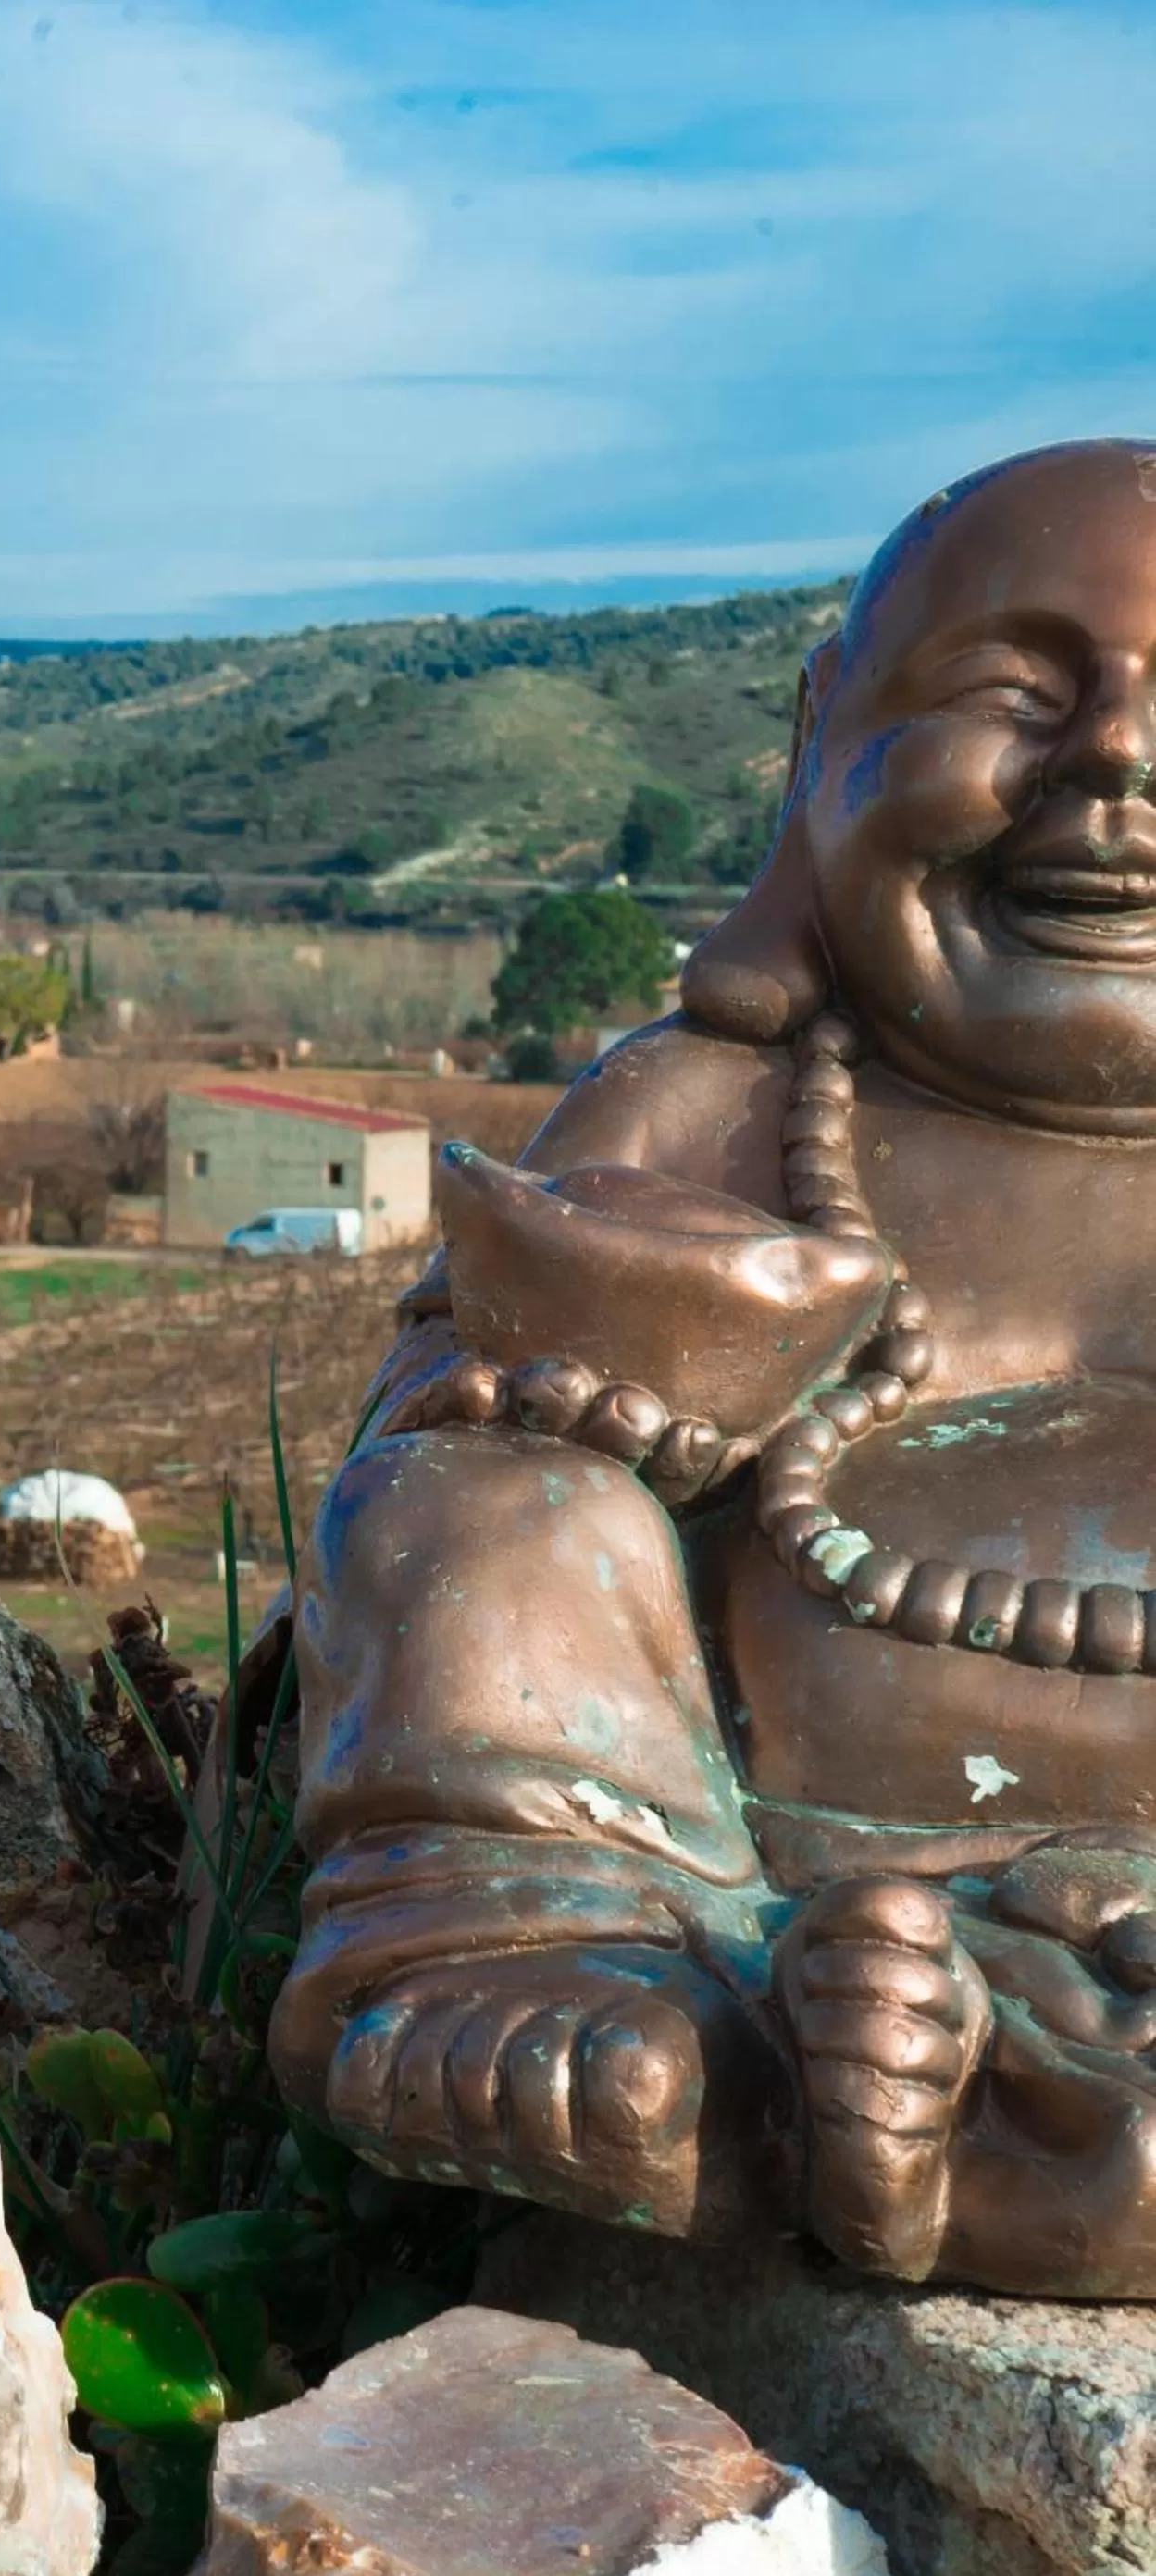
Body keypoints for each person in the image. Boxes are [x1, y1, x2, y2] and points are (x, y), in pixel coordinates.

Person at [270, 441, 1156, 2296]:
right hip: (733, 1888)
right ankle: (580, 1979)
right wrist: (601, 1380)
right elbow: (437, 1448)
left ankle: (964, 2100)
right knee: (471, 1510)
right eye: (1009, 693)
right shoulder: (723, 1109)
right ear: (814, 743)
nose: (1112, 763)